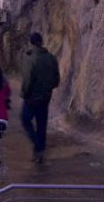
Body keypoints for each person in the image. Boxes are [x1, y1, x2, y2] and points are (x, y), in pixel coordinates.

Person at [20, 32, 61, 163]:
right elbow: (56, 80)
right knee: (41, 124)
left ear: (31, 43)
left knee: (25, 119)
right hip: (46, 96)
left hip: (32, 97)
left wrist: (24, 93)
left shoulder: (30, 59)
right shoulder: (51, 58)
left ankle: (38, 145)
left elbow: (27, 80)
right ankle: (39, 153)